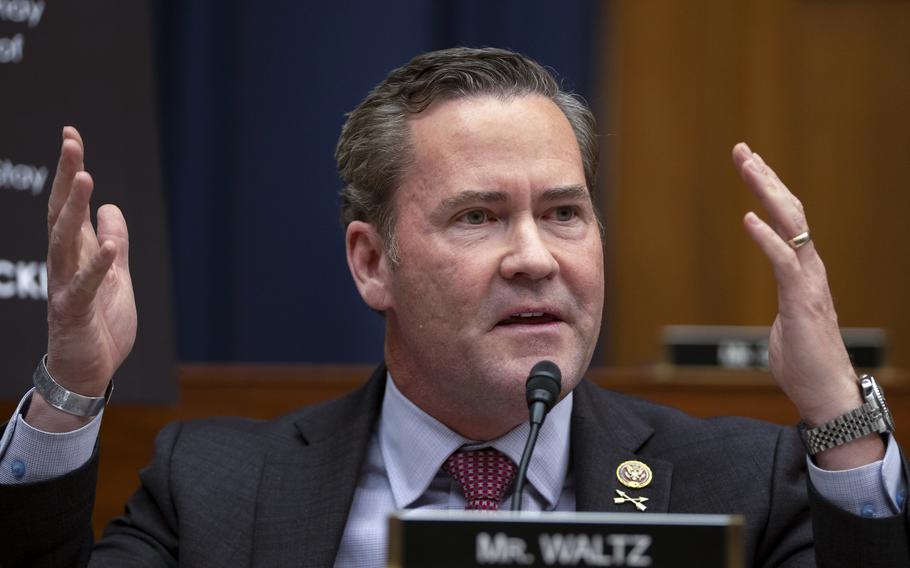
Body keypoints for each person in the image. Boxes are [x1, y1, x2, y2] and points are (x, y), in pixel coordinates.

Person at [1, 47, 906, 567]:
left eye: (564, 213)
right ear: (372, 263)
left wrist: (837, 416)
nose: (534, 258)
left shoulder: (743, 486)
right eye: (478, 217)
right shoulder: (213, 492)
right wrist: (73, 386)